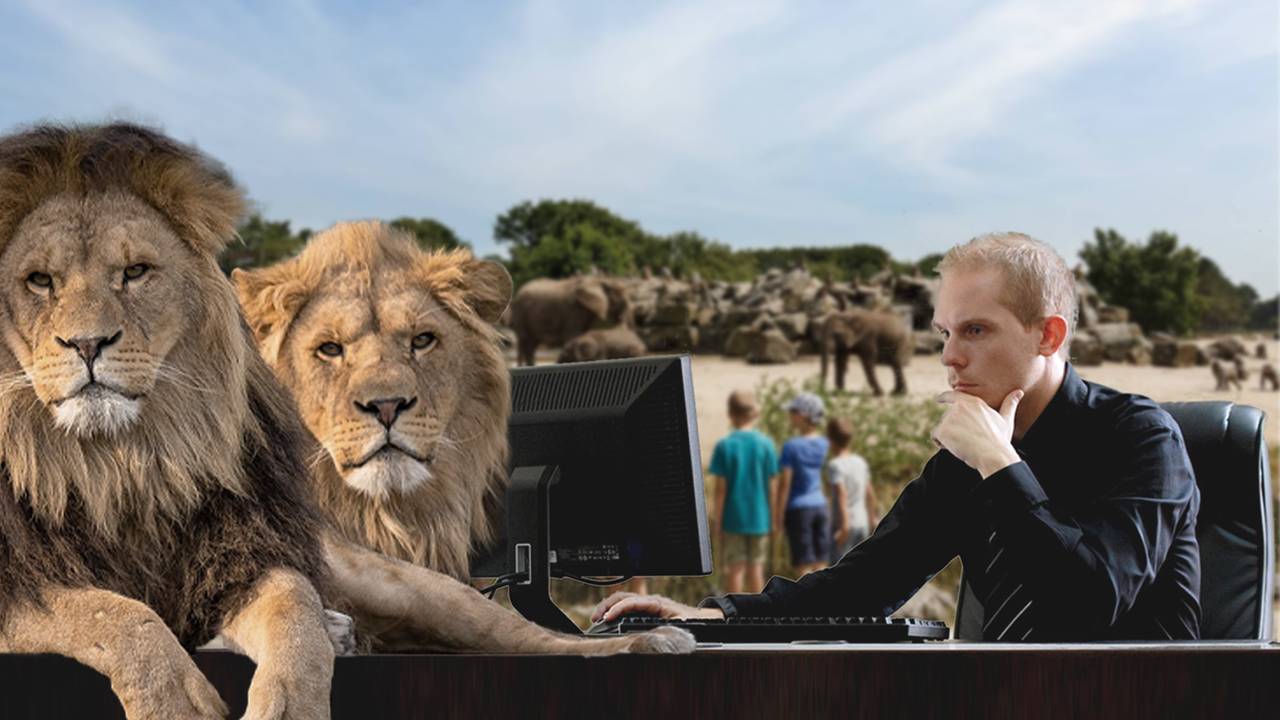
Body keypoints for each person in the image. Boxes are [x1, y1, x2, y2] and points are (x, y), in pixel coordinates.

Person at [593, 232, 1201, 642]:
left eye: (976, 331)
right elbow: (862, 586)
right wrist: (712, 614)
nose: (950, 358)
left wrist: (999, 461)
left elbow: (1089, 604)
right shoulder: (964, 461)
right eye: (944, 332)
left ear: (1047, 335)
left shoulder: (1142, 439)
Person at [708, 389, 779, 594]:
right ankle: (758, 615)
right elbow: (772, 487)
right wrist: (773, 517)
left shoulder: (725, 446)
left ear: (730, 414)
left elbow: (721, 490)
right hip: (760, 517)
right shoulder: (766, 444)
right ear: (755, 414)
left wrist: (718, 521)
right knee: (756, 569)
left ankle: (735, 616)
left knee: (735, 570)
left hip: (733, 518)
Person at [775, 392, 831, 576]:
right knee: (821, 562)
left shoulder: (792, 446)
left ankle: (807, 605)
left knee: (803, 565)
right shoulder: (825, 443)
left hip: (798, 509)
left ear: (803, 416)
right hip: (821, 506)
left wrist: (778, 517)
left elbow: (785, 484)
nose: (790, 415)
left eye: (793, 411)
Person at [825, 417, 879, 564]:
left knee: (838, 569)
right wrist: (873, 518)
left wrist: (844, 527)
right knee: (859, 567)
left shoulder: (835, 465)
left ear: (830, 440)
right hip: (862, 521)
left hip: (845, 523)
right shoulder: (860, 462)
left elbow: (841, 495)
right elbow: (870, 493)